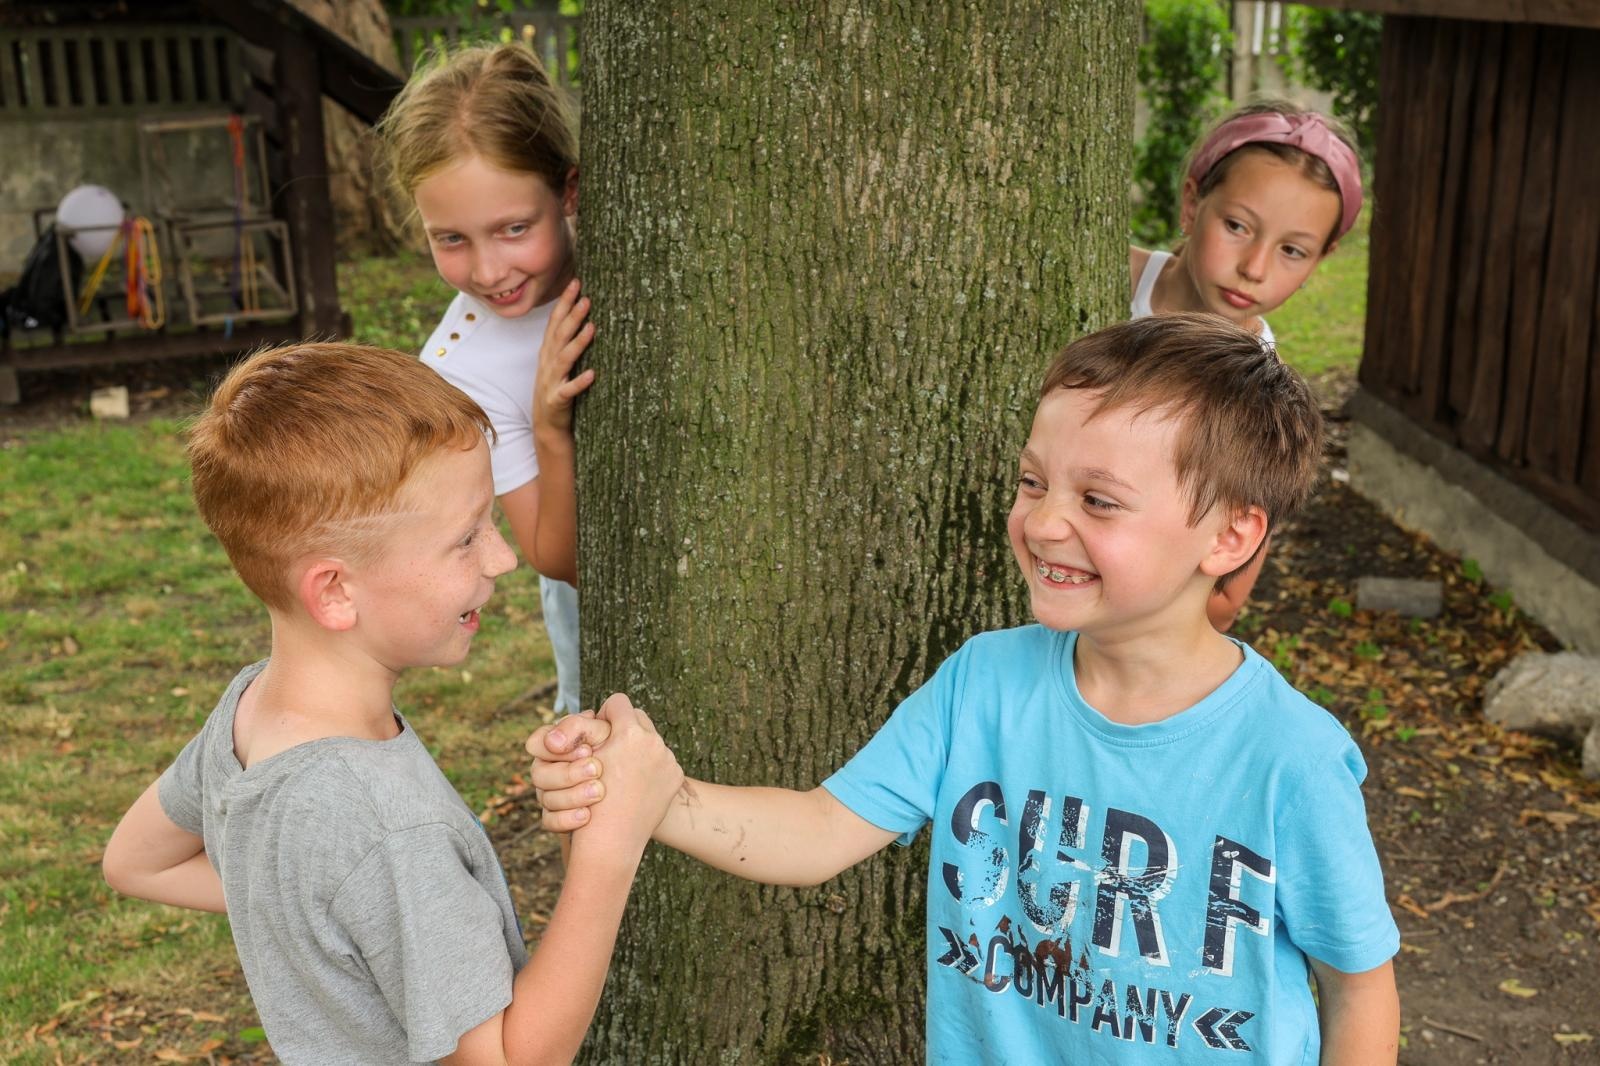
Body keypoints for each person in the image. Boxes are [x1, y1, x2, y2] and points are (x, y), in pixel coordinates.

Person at [531, 315, 1401, 1063]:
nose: (1043, 521)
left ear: (1230, 535)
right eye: (1033, 481)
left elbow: (1358, 988)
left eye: (1099, 500)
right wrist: (655, 795)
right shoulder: (984, 681)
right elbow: (823, 829)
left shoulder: (1294, 758)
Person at [102, 343, 681, 1065]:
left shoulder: (248, 713)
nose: (503, 559)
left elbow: (136, 862)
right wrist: (610, 848)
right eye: (466, 538)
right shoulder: (387, 825)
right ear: (335, 592)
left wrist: (331, 922)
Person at [376, 43, 592, 716]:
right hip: (601, 616)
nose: (490, 271)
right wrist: (549, 426)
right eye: (452, 239)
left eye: (514, 229)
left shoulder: (637, 246)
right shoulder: (461, 371)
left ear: (570, 191)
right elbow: (560, 560)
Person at [1129, 101, 1365, 632]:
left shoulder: (1261, 399)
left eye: (1292, 250)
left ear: (1321, 259)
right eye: (1237, 225)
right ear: (1192, 204)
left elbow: (1225, 602)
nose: (1254, 269)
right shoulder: (1110, 274)